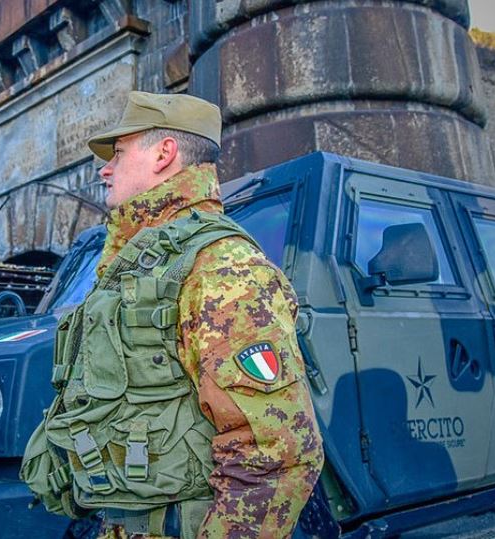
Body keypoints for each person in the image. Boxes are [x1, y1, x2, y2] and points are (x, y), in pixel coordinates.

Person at [21, 91, 324, 539]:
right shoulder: (138, 262)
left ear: (164, 154)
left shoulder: (220, 266)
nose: (105, 169)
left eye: (119, 153)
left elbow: (276, 452)